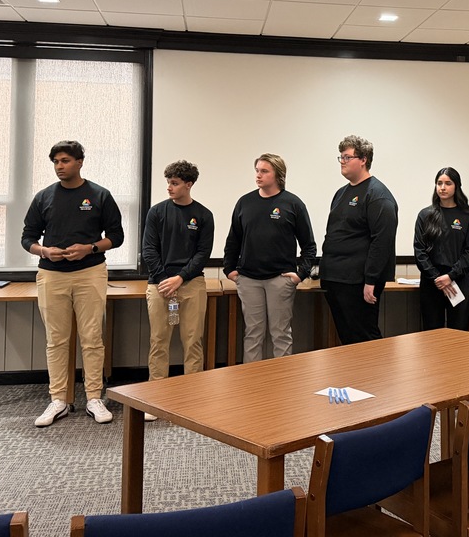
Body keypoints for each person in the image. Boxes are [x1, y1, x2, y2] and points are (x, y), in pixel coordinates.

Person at [21, 140, 124, 427]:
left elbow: (116, 236)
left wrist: (89, 248)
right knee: (56, 339)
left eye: (65, 161)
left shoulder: (99, 195)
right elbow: (27, 237)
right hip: (51, 274)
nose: (59, 166)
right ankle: (59, 400)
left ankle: (94, 397)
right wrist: (44, 251)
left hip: (90, 272)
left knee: (92, 337)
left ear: (79, 162)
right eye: (55, 162)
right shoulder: (44, 197)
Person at [223, 154, 317, 361]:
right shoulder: (245, 202)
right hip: (248, 279)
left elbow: (309, 245)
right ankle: (252, 382)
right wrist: (229, 269)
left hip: (280, 279)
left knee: (281, 334)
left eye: (264, 171)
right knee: (253, 334)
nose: (258, 175)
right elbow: (233, 240)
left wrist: (300, 274)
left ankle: (280, 384)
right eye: (257, 170)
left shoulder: (293, 204)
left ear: (278, 174)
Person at [141, 160, 213, 419]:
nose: (169, 188)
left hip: (191, 284)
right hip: (160, 285)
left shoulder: (203, 215)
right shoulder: (157, 212)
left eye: (175, 183)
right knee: (158, 341)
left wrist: (180, 279)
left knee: (192, 341)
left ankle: (191, 397)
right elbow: (149, 249)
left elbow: (203, 253)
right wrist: (165, 281)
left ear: (188, 184)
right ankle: (156, 398)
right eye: (168, 183)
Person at [320, 134, 398, 345]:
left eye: (347, 157)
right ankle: (353, 379)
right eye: (341, 158)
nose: (342, 162)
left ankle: (375, 378)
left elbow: (382, 241)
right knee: (347, 337)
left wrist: (371, 280)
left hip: (358, 281)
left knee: (364, 337)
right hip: (335, 277)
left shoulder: (378, 195)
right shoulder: (341, 193)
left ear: (363, 159)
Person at [413, 167, 469, 331]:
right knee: (431, 332)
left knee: (458, 333)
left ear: (456, 186)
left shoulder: (468, 215)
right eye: (439, 183)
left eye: (448, 183)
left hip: (458, 280)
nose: (442, 187)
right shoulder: (425, 215)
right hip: (432, 282)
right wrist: (438, 278)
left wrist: (450, 276)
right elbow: (419, 251)